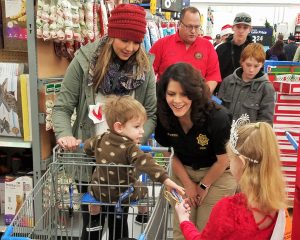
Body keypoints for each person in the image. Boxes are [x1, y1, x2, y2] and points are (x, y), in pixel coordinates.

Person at [52, 3, 157, 239]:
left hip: (124, 161)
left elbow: (150, 112)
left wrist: (138, 136)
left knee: (120, 222)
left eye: (136, 41)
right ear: (111, 34)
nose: (130, 47)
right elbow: (62, 107)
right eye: (124, 40)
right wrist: (64, 135)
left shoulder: (144, 68)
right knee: (92, 223)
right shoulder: (83, 61)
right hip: (88, 157)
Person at [83, 95, 185, 240]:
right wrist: (166, 179)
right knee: (141, 186)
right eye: (137, 126)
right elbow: (146, 162)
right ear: (119, 127)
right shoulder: (131, 148)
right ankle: (142, 214)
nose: (142, 131)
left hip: (100, 191)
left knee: (92, 185)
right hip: (122, 195)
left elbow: (87, 148)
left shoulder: (100, 139)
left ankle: (94, 214)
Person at [155, 62, 237, 239]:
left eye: (184, 94)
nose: (177, 100)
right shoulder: (163, 115)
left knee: (207, 231)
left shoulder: (217, 117)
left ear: (195, 93)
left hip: (218, 175)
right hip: (183, 171)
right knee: (182, 229)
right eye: (171, 94)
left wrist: (203, 186)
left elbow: (224, 160)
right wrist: (188, 184)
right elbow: (168, 152)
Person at [174, 118, 292, 240]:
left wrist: (184, 220)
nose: (230, 165)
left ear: (241, 162)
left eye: (231, 160)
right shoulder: (277, 203)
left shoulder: (228, 208)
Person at [149, 7, 221, 93]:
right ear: (179, 24)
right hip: (166, 102)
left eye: (197, 27)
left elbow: (213, 77)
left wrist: (202, 96)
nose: (193, 31)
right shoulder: (161, 45)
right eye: (189, 26)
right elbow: (148, 73)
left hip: (196, 102)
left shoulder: (208, 47)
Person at [218, 43, 275, 123]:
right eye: (248, 65)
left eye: (256, 66)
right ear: (242, 62)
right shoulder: (227, 81)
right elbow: (218, 109)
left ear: (262, 65)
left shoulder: (266, 88)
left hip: (249, 135)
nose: (251, 70)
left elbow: (266, 122)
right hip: (225, 132)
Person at [216, 12, 253, 80]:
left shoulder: (254, 51)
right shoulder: (221, 49)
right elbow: (214, 73)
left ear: (250, 29)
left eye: (245, 28)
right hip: (224, 88)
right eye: (238, 27)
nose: (241, 31)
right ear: (233, 28)